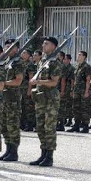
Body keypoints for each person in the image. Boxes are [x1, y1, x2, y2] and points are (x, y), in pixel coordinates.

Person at [29, 37, 62, 167]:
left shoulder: (55, 62)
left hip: (51, 99)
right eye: (43, 43)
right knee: (40, 127)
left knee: (49, 127)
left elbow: (54, 82)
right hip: (40, 98)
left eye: (46, 44)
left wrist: (38, 82)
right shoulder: (43, 61)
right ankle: (43, 153)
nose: (43, 45)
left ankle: (49, 156)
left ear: (53, 46)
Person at [0, 38, 26, 162]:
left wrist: (2, 83)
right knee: (4, 125)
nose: (7, 49)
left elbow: (18, 80)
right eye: (6, 47)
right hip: (4, 98)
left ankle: (14, 152)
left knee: (12, 125)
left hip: (13, 98)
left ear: (16, 49)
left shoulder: (18, 62)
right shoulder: (6, 61)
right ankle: (8, 149)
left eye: (10, 46)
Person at [68, 51, 91, 133]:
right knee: (76, 108)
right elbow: (74, 80)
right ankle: (76, 125)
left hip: (83, 90)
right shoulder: (77, 67)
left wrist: (86, 91)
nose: (78, 56)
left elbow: (88, 80)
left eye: (79, 55)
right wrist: (72, 90)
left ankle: (85, 126)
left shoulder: (87, 67)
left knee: (84, 108)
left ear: (84, 57)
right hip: (77, 90)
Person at [57, 52, 74, 131]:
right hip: (58, 88)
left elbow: (67, 80)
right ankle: (59, 123)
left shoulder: (65, 67)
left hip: (64, 88)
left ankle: (62, 123)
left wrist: (65, 90)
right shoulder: (59, 66)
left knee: (63, 106)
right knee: (59, 106)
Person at [20, 49, 36, 131]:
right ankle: (23, 123)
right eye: (22, 52)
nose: (22, 54)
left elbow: (31, 77)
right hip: (21, 88)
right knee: (22, 106)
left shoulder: (30, 65)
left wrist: (29, 89)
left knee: (28, 107)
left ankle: (30, 124)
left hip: (26, 87)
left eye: (24, 53)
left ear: (29, 55)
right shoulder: (21, 64)